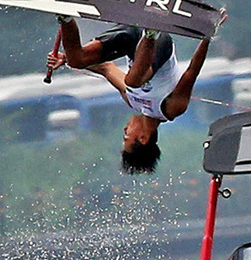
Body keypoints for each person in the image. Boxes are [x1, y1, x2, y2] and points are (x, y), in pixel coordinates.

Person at [45, 11, 226, 174]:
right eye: (127, 136)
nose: (125, 129)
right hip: (159, 43)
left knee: (78, 59)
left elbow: (106, 68)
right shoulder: (171, 109)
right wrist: (207, 36)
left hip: (131, 37)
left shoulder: (132, 101)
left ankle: (65, 18)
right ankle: (151, 32)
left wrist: (66, 59)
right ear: (143, 138)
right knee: (132, 81)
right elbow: (192, 71)